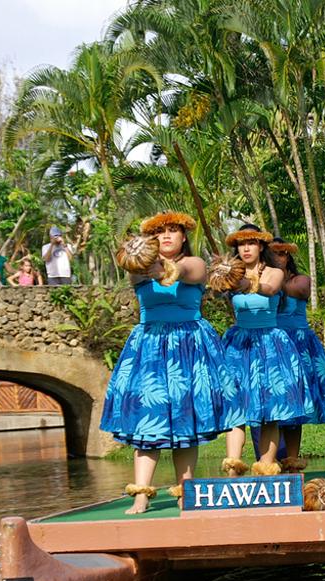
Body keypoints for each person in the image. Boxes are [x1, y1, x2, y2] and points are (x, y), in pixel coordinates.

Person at [100, 211, 244, 514]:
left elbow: (184, 272)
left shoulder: (196, 264)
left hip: (189, 346)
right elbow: (142, 270)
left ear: (183, 237)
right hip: (150, 346)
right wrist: (145, 258)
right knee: (146, 421)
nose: (166, 236)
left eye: (173, 231)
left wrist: (158, 264)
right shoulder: (139, 268)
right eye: (160, 232)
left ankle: (185, 492)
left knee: (184, 420)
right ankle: (141, 494)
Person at [220, 225, 309, 477]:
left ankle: (267, 467)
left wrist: (238, 278)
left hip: (269, 343)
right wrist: (221, 274)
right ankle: (233, 468)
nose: (246, 248)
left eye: (251, 243)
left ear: (260, 246)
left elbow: (268, 290)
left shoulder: (275, 272)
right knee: (235, 407)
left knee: (270, 409)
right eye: (241, 244)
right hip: (239, 344)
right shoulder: (231, 274)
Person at [269, 238, 325, 470]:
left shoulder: (299, 280)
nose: (278, 258)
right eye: (273, 254)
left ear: (288, 257)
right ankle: (268, 461)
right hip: (271, 346)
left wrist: (268, 280)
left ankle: (292, 460)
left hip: (297, 345)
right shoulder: (262, 278)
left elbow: (298, 291)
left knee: (295, 403)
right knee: (272, 403)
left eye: (282, 254)